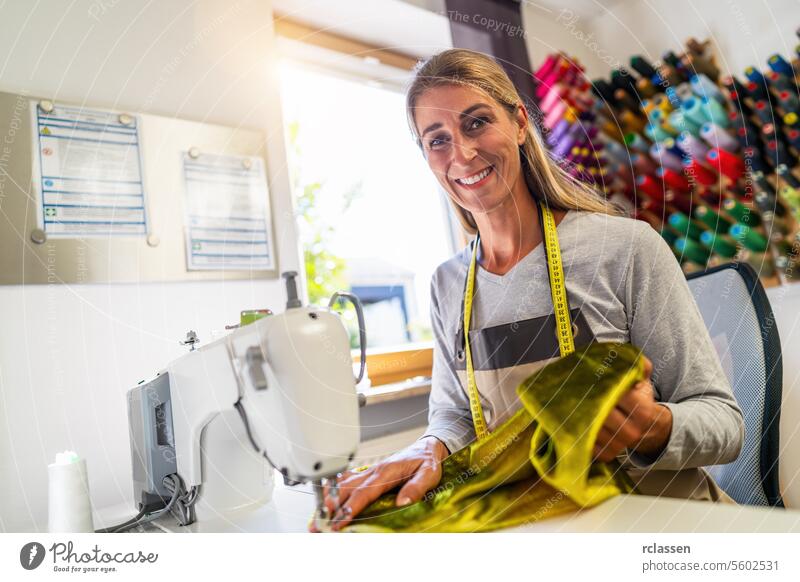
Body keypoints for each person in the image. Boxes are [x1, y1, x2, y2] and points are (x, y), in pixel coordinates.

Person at [317, 48, 744, 532]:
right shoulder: (446, 285)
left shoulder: (623, 248)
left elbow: (724, 423)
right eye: (437, 140)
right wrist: (429, 446)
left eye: (477, 123)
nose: (462, 153)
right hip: (545, 527)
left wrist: (651, 430)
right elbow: (455, 417)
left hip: (663, 523)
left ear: (520, 123)